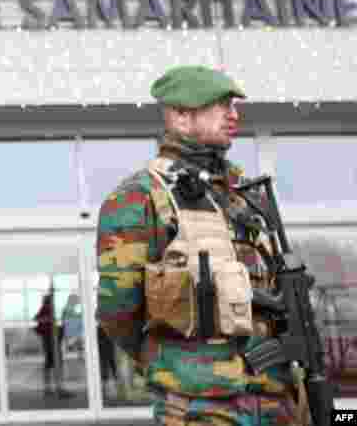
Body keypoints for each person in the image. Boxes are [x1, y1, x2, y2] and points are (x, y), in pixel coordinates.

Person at [96, 65, 301, 424]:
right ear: (180, 116)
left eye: (234, 106)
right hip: (201, 407)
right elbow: (117, 312)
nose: (233, 115)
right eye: (221, 105)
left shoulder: (244, 192)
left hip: (276, 398)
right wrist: (174, 362)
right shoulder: (140, 197)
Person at [33, 288, 70, 399]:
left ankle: (51, 388)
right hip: (50, 342)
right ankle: (57, 389)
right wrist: (50, 320)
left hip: (52, 341)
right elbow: (37, 319)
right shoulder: (46, 309)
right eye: (52, 299)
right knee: (54, 365)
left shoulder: (48, 309)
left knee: (51, 365)